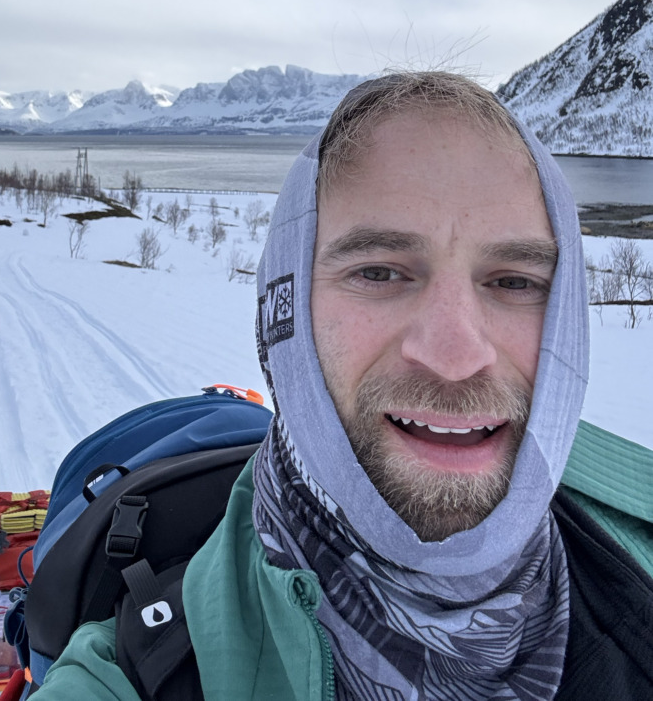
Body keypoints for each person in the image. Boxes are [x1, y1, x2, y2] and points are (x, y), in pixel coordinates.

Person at [36, 71, 653, 700]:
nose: (456, 356)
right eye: (380, 271)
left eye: (515, 281)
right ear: (289, 318)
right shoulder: (138, 677)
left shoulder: (635, 545)